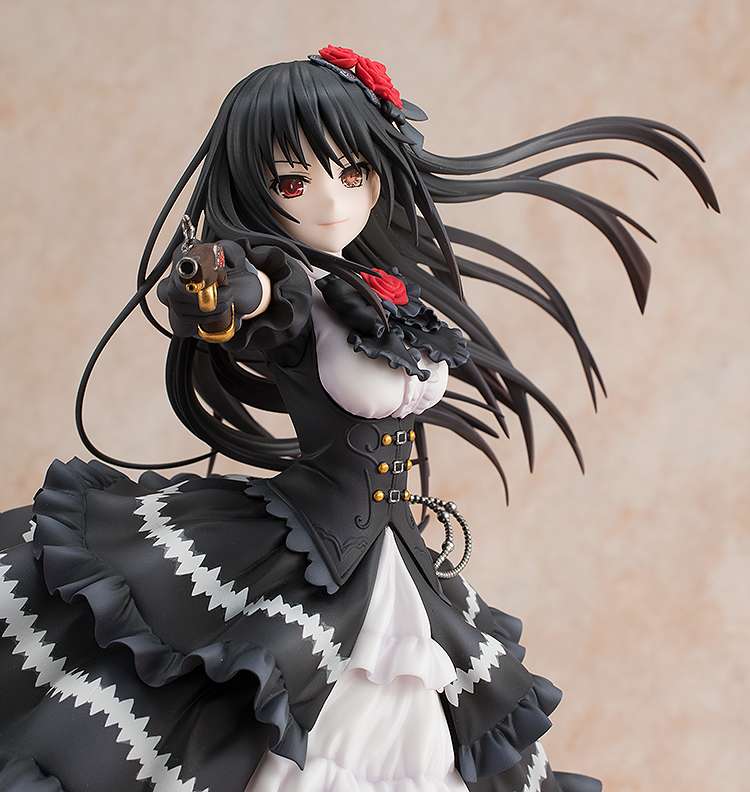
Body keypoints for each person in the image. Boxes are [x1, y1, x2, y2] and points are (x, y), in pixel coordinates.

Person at [0, 45, 718, 791]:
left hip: (389, 554)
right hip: (308, 548)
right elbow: (243, 299)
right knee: (243, 712)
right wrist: (219, 293)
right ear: (255, 189)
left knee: (430, 731)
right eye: (293, 181)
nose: (332, 201)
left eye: (353, 173)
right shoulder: (288, 288)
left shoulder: (377, 292)